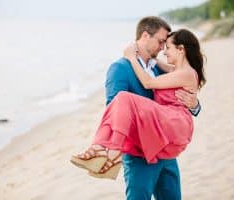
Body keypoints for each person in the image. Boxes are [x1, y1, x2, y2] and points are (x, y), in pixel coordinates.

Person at [71, 16, 204, 200]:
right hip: (140, 155)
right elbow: (114, 107)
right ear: (145, 36)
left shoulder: (158, 69)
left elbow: (182, 93)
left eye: (166, 44)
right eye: (160, 42)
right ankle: (103, 148)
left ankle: (103, 148)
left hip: (165, 150)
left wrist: (195, 105)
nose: (163, 48)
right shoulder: (120, 68)